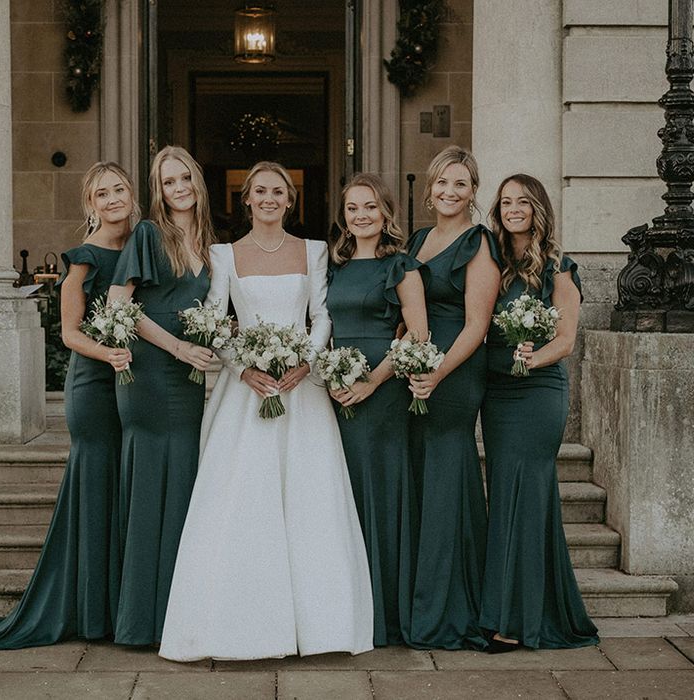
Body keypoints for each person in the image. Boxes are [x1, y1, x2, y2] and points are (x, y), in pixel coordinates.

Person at [159, 162, 373, 662]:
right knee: (243, 500)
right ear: (246, 199)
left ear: (291, 199)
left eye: (279, 191)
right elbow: (215, 318)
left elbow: (321, 314)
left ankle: (322, 626)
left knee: (309, 501)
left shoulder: (314, 251)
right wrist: (242, 368)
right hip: (247, 393)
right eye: (260, 191)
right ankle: (243, 625)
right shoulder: (224, 255)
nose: (270, 198)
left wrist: (304, 362)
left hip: (303, 391)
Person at [0, 162, 138, 649]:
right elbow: (70, 333)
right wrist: (111, 353)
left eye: (119, 189)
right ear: (89, 205)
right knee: (97, 494)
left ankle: (123, 604)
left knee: (126, 492)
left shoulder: (145, 246)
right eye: (102, 194)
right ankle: (91, 612)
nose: (113, 199)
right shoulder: (82, 259)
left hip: (136, 388)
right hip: (95, 387)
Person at [479, 174, 599, 652]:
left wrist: (529, 358)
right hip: (496, 397)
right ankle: (513, 610)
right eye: (505, 201)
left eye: (522, 201)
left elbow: (566, 340)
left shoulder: (558, 267)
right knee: (505, 496)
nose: (513, 209)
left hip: (536, 394)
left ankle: (517, 623)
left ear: (537, 209)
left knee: (527, 500)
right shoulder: (493, 261)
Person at [108, 146, 216, 646]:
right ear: (159, 189)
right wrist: (177, 347)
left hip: (190, 378)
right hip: (151, 373)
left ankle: (179, 615)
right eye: (167, 182)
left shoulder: (212, 242)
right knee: (152, 487)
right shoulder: (150, 234)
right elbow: (119, 306)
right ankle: (138, 622)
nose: (177, 189)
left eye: (184, 179)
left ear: (197, 182)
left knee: (185, 487)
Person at [401, 146, 500, 650]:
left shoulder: (478, 243)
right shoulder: (419, 240)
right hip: (415, 370)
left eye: (460, 184)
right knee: (420, 478)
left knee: (445, 477)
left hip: (454, 373)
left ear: (473, 191)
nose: (448, 192)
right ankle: (419, 603)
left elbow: (477, 325)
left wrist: (436, 373)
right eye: (442, 182)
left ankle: (448, 611)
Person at [326, 173, 428, 646]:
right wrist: (331, 376)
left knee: (381, 492)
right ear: (343, 216)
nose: (360, 216)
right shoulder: (336, 267)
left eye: (369, 207)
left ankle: (385, 614)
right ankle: (347, 609)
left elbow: (418, 333)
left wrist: (373, 381)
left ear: (385, 213)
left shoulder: (402, 266)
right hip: (337, 389)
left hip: (382, 394)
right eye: (352, 208)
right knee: (342, 495)